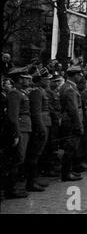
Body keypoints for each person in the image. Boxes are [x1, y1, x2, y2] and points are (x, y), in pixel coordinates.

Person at [4, 67, 33, 198]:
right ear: (20, 79)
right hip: (20, 129)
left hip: (24, 128)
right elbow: (12, 116)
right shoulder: (15, 93)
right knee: (17, 158)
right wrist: (16, 134)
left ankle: (13, 187)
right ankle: (11, 189)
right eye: (26, 78)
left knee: (20, 158)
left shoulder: (20, 92)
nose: (29, 80)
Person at [26, 68, 53, 192]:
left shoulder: (41, 91)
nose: (48, 81)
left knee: (39, 153)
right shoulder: (37, 92)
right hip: (41, 125)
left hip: (45, 123)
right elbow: (36, 113)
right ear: (41, 79)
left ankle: (34, 179)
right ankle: (31, 182)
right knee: (35, 154)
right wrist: (41, 128)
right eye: (47, 79)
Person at [59, 66, 84, 182]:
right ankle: (66, 173)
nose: (81, 76)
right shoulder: (70, 89)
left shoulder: (67, 86)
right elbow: (73, 109)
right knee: (70, 148)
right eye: (79, 74)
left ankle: (69, 171)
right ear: (74, 75)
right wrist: (79, 125)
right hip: (72, 121)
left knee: (71, 147)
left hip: (69, 120)